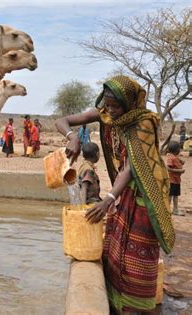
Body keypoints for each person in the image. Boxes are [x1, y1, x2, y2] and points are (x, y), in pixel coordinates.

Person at [55, 75, 174, 314]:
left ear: (129, 103)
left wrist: (109, 199)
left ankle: (138, 306)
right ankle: (117, 302)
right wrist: (73, 136)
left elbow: (131, 168)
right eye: (107, 104)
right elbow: (63, 120)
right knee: (115, 245)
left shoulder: (142, 123)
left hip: (145, 192)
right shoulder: (106, 113)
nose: (110, 110)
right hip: (125, 188)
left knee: (137, 251)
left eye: (115, 106)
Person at [166, 141, 185, 216]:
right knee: (170, 196)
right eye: (179, 149)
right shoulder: (170, 157)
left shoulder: (174, 157)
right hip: (172, 180)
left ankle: (175, 209)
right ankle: (167, 210)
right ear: (176, 150)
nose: (180, 150)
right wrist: (179, 170)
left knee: (175, 195)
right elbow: (168, 168)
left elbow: (177, 161)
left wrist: (181, 162)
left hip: (176, 180)